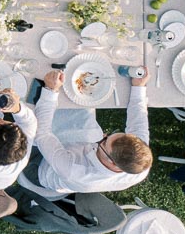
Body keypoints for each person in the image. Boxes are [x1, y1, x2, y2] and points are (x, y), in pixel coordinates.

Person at [19, 68, 151, 198]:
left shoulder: (73, 170)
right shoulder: (139, 161)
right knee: (81, 105)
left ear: (113, 163)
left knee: (29, 124)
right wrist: (138, 87)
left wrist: (50, 91)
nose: (104, 135)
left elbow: (42, 133)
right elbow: (138, 123)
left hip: (42, 168)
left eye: (104, 141)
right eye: (111, 134)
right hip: (77, 150)